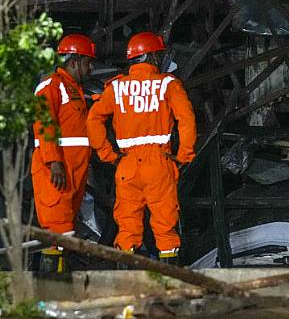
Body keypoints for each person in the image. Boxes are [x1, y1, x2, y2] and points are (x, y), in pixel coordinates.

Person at [87, 31, 196, 264]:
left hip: (127, 165)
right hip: (159, 163)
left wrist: (108, 155)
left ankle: (126, 289)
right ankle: (169, 288)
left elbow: (93, 120)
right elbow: (186, 119)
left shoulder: (116, 88)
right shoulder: (167, 84)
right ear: (151, 58)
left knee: (127, 228)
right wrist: (183, 156)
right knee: (165, 228)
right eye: (157, 56)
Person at [32, 34, 96, 273]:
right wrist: (54, 161)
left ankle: (56, 288)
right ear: (74, 60)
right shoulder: (51, 85)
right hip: (57, 170)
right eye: (88, 63)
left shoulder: (74, 89)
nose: (91, 69)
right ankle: (50, 294)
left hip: (72, 172)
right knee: (56, 230)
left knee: (64, 230)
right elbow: (43, 122)